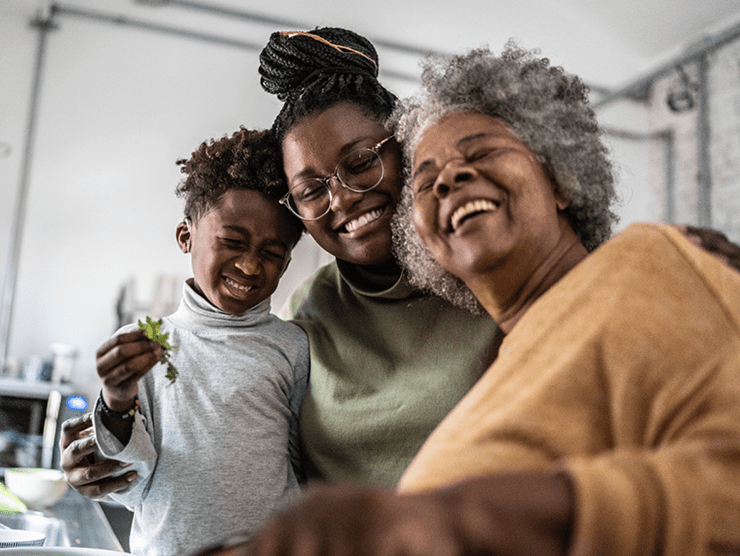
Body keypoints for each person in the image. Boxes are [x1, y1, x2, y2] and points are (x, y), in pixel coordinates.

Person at [59, 25, 740, 529]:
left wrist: (664, 266)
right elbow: (248, 452)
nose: (345, 198)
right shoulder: (308, 314)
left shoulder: (492, 274)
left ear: (405, 146)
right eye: (312, 191)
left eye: (362, 162)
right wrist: (120, 448)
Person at [89, 127, 309, 556]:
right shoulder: (142, 346)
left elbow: (304, 467)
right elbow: (129, 487)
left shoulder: (294, 347)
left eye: (271, 253)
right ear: (186, 236)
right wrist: (117, 398)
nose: (249, 265)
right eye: (232, 242)